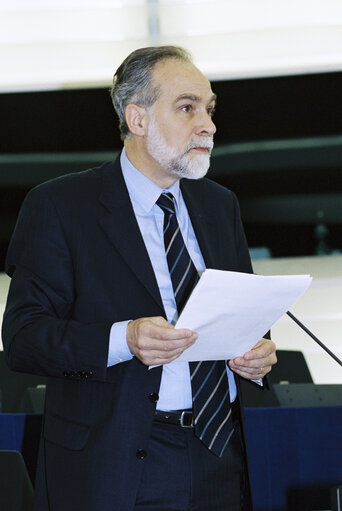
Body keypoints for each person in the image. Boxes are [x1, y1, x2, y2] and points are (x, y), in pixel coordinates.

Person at [2, 46, 277, 511]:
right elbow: (25, 337)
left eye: (209, 109)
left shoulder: (219, 205)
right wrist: (123, 339)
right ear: (138, 119)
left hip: (222, 454)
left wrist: (257, 353)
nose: (207, 124)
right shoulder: (61, 206)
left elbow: (242, 315)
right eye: (188, 108)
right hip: (115, 464)